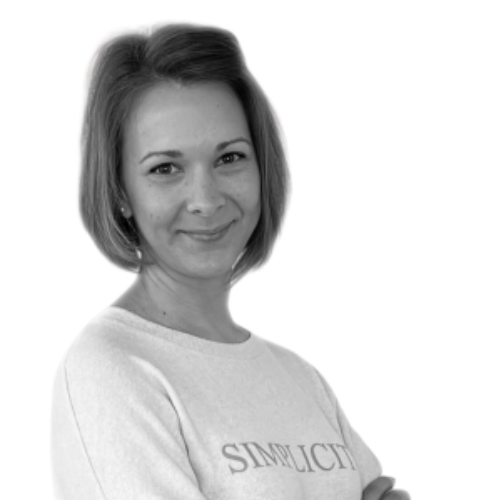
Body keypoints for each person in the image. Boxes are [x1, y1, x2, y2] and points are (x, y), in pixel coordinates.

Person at [50, 23, 410, 500]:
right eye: (165, 168)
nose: (206, 199)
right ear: (120, 192)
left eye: (230, 158)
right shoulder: (112, 369)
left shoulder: (299, 378)